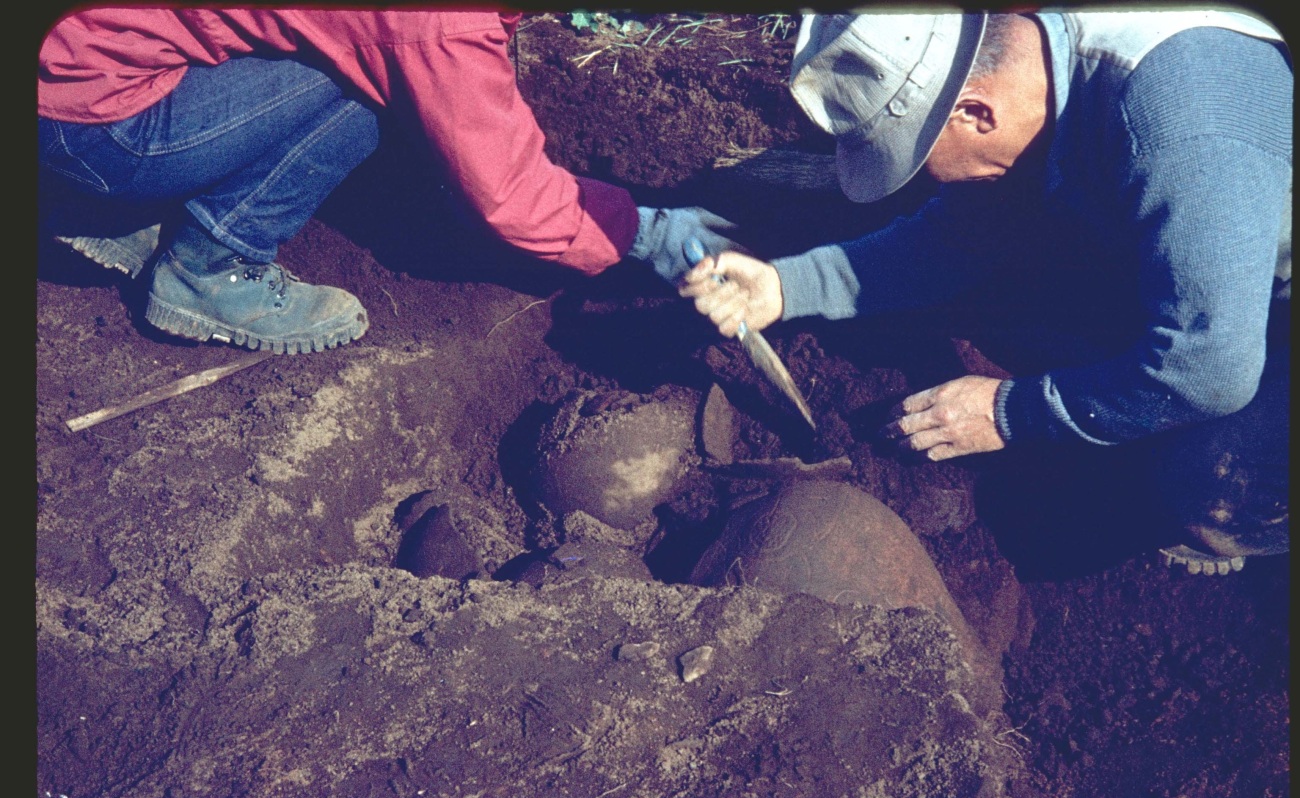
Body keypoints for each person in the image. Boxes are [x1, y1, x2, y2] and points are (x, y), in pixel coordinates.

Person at [679, 11, 1290, 574]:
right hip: (1223, 246)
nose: (936, 184)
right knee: (1038, 304)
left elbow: (1214, 367)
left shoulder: (1182, 129)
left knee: (1206, 489)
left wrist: (1009, 413)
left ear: (975, 111)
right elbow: (960, 238)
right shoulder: (1036, 68)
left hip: (1267, 297)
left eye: (926, 164)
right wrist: (788, 285)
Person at [38, 7, 735, 354]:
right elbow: (511, 197)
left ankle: (134, 203)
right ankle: (210, 263)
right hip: (88, 120)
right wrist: (645, 230)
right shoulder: (432, 23)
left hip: (72, 49)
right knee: (370, 83)